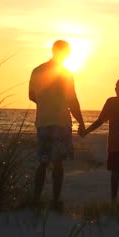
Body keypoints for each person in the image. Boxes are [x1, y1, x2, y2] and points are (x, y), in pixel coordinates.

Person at [29, 40, 85, 208]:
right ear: (66, 53)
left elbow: (32, 96)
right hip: (60, 122)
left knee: (43, 162)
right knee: (58, 163)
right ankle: (55, 200)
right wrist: (81, 122)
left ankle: (36, 199)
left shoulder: (37, 70)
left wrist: (46, 103)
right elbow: (72, 100)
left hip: (43, 121)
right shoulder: (66, 74)